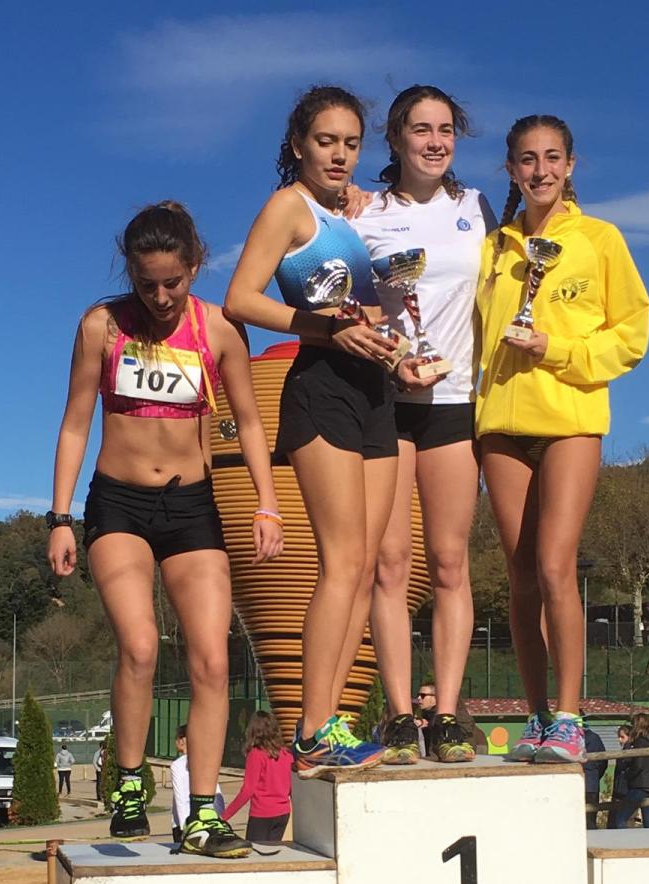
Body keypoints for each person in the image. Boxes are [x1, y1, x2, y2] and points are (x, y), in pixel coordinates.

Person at [48, 201, 282, 856]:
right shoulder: (102, 326)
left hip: (192, 505)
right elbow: (75, 422)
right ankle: (128, 780)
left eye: (171, 283)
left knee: (212, 658)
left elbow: (250, 422)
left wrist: (267, 503)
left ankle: (203, 812)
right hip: (119, 504)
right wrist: (60, 517)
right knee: (141, 646)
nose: (159, 297)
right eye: (145, 283)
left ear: (195, 266)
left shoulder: (220, 330)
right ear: (129, 271)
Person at [225, 85, 407, 777]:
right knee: (341, 563)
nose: (339, 154)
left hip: (377, 390)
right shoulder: (288, 207)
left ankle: (332, 722)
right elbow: (241, 298)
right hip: (320, 388)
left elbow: (373, 303)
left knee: (367, 566)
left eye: (351, 143)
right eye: (326, 141)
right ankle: (310, 729)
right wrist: (323, 329)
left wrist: (395, 347)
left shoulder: (356, 210)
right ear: (298, 143)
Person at [476, 115, 649, 764]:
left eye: (552, 157)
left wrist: (557, 349)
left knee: (555, 567)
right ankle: (536, 716)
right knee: (520, 577)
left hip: (571, 418)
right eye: (527, 159)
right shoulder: (494, 249)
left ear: (571, 165)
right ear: (511, 169)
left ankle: (571, 716)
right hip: (500, 424)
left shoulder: (600, 239)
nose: (540, 170)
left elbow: (631, 334)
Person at [349, 84, 496, 765]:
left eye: (445, 130)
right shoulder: (366, 214)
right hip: (386, 401)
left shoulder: (478, 209)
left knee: (449, 561)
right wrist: (392, 357)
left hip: (456, 401)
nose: (435, 142)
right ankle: (401, 715)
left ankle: (449, 714)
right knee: (389, 563)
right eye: (421, 130)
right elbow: (350, 309)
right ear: (396, 138)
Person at [222, 711, 293, 843]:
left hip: (262, 813)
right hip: (283, 813)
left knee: (255, 851)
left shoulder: (256, 754)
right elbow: (290, 787)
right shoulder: (286, 754)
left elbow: (248, 790)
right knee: (272, 851)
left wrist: (225, 816)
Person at [169, 724, 228, 847]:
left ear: (183, 740)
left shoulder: (177, 765)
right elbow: (217, 793)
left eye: (178, 738)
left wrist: (184, 826)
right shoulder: (205, 762)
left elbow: (180, 798)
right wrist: (220, 818)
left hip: (185, 822)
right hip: (207, 820)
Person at [609, 713, 649, 829]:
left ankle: (625, 840)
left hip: (640, 785)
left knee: (620, 819)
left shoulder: (640, 742)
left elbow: (638, 765)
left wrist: (628, 775)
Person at [582, 717, 607, 829]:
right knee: (590, 819)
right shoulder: (594, 738)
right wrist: (595, 775)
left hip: (581, 783)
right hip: (591, 784)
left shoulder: (567, 739)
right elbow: (603, 762)